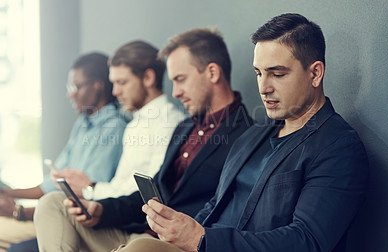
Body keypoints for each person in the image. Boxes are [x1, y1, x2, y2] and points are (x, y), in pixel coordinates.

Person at [115, 13, 370, 252]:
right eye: (258, 73)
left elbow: (306, 241)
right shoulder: (253, 135)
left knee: (139, 248)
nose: (263, 87)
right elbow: (215, 204)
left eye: (277, 74)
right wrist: (181, 233)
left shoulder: (338, 146)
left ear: (315, 73)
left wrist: (202, 239)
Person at [34, 28, 254, 252]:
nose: (175, 92)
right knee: (52, 204)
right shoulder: (185, 127)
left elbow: (228, 212)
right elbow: (152, 193)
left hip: (176, 243)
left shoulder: (247, 137)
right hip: (140, 232)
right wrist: (101, 210)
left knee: (138, 247)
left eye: (180, 80)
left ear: (212, 73)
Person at [8, 41, 186, 252]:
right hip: (112, 215)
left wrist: (90, 188)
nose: (115, 91)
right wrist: (90, 188)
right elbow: (123, 185)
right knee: (51, 203)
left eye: (121, 82)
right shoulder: (135, 124)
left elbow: (149, 195)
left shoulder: (170, 124)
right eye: (114, 82)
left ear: (148, 78)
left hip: (133, 225)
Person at [0, 53, 127, 251]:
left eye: (76, 87)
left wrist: (18, 211)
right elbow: (53, 183)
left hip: (79, 222)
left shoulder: (114, 129)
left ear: (98, 85)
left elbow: (85, 198)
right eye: (70, 87)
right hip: (55, 211)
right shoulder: (82, 124)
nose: (70, 94)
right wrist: (7, 192)